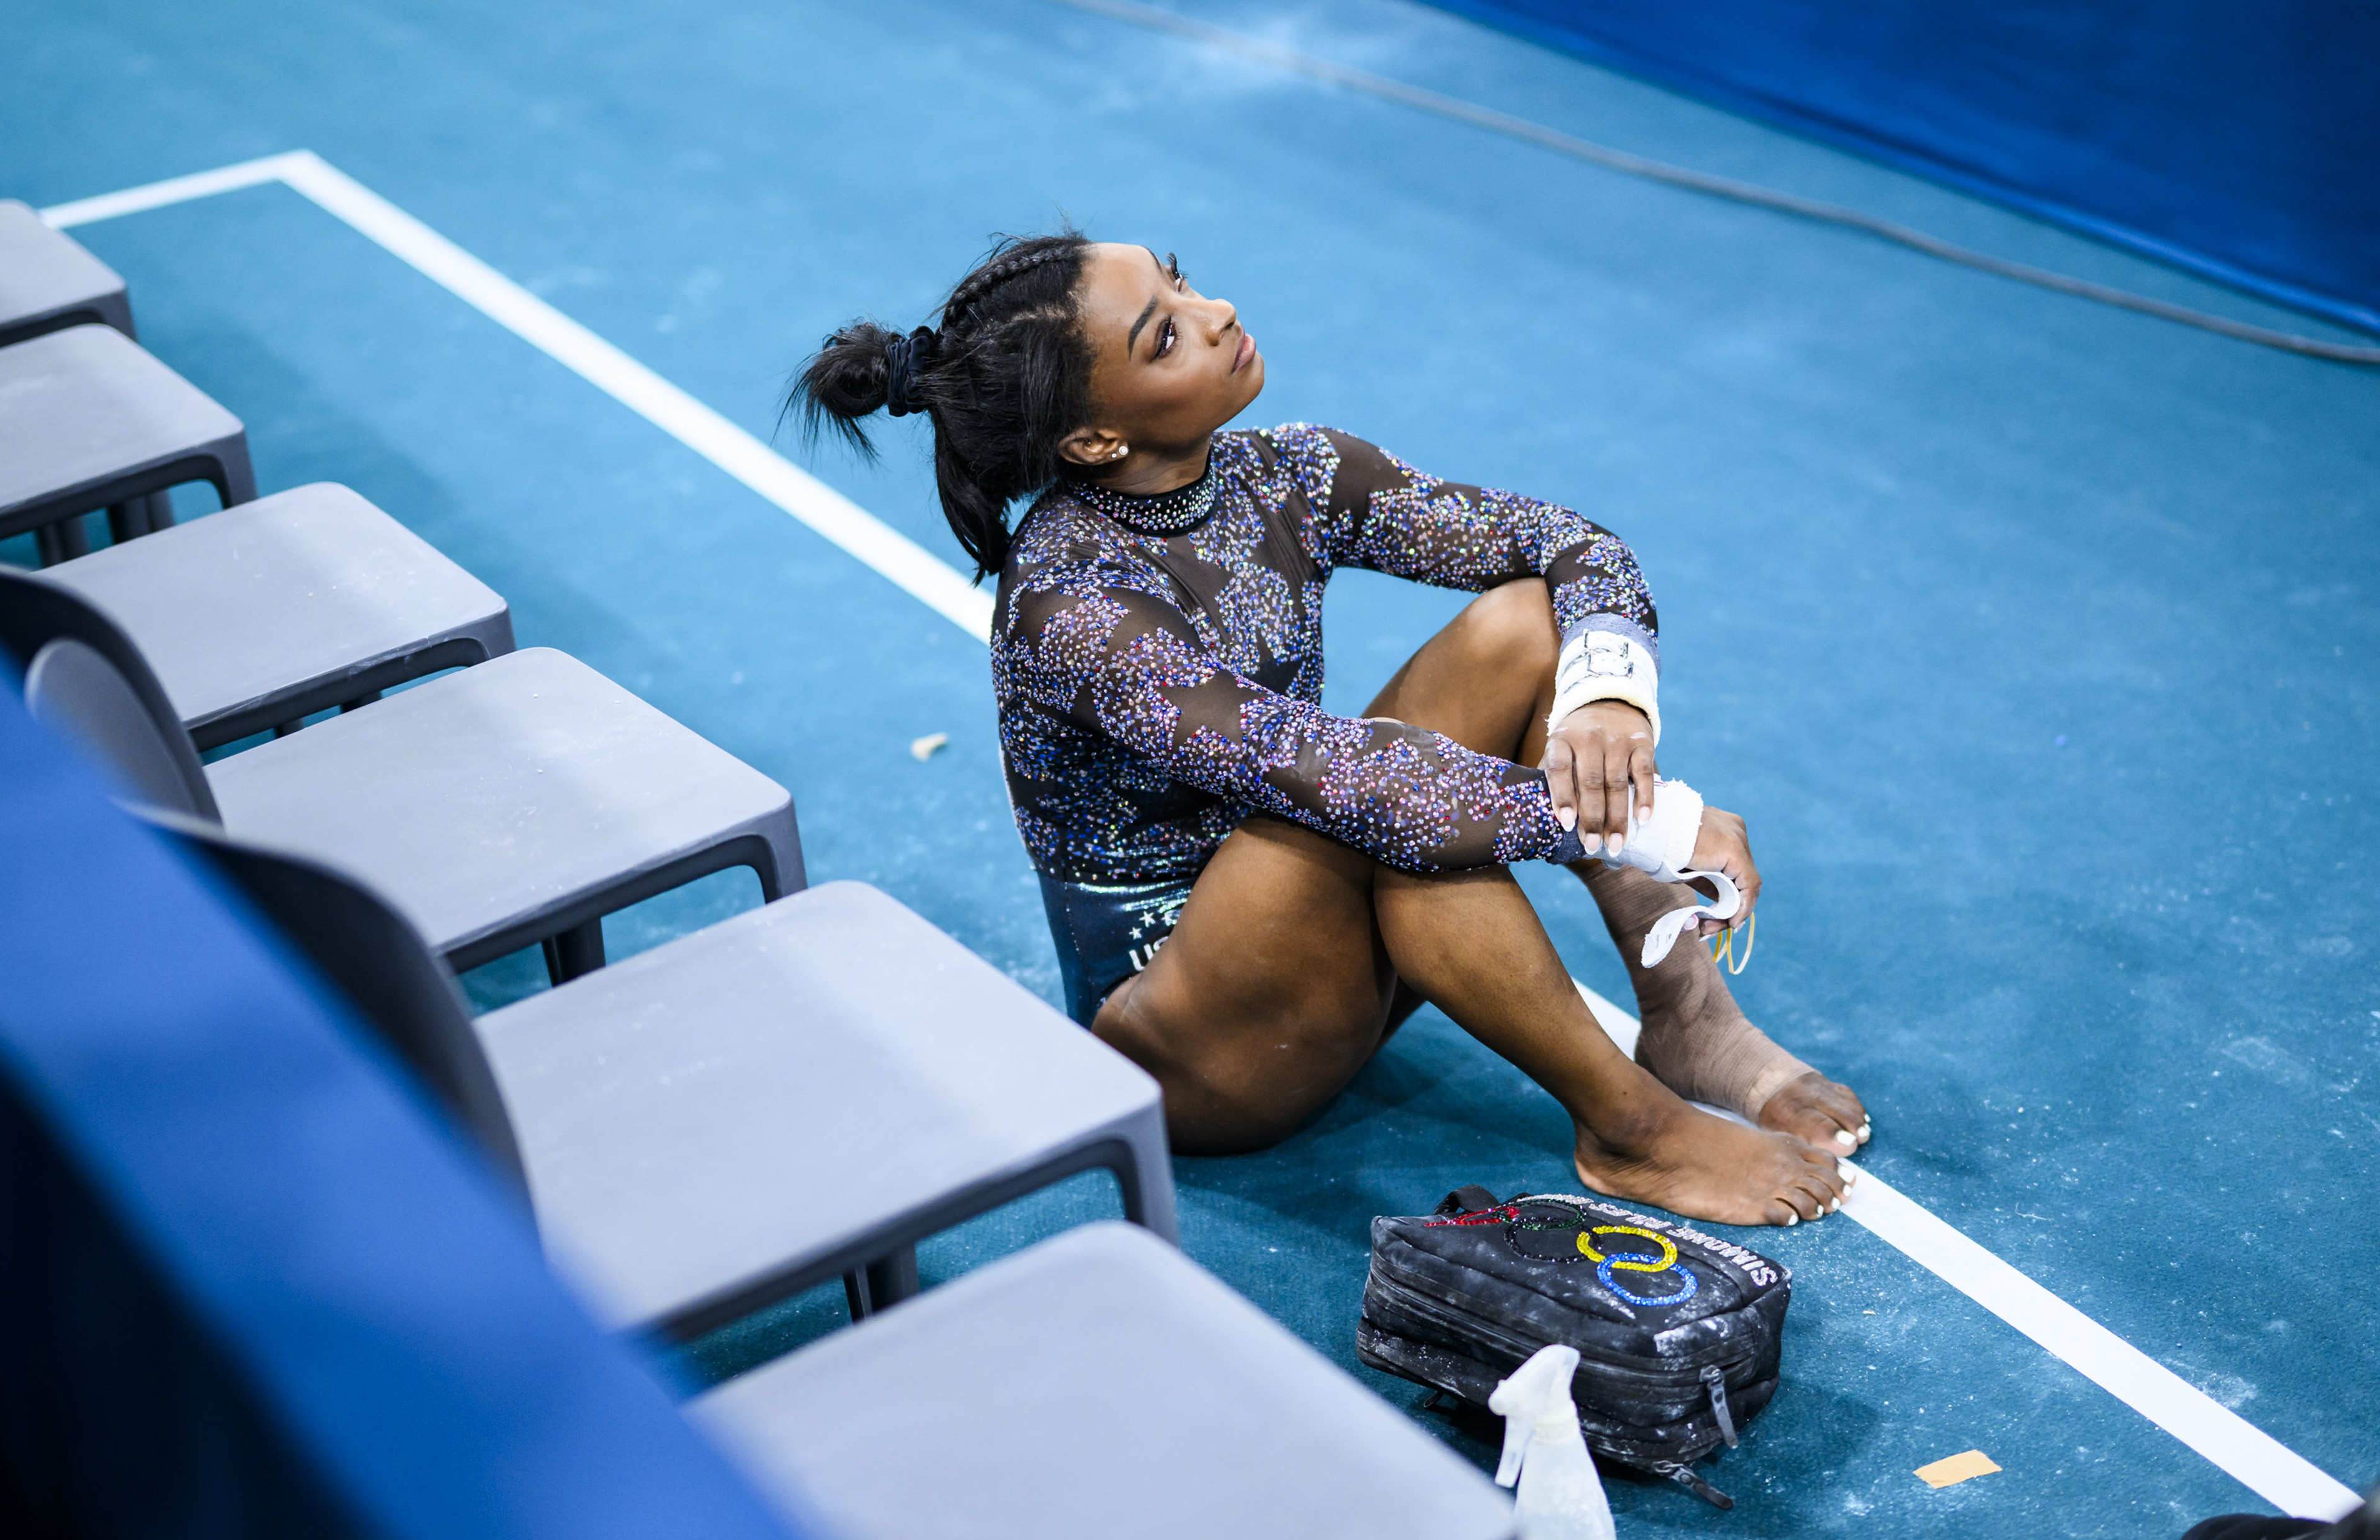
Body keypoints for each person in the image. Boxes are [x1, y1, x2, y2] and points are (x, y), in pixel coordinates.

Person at [792, 232, 1869, 1227]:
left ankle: (1684, 1012)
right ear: (1092, 434)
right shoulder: (1070, 604)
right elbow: (1343, 780)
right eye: (1164, 333)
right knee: (1382, 810)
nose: (1212, 310)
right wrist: (1657, 827)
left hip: (1321, 888)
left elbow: (1562, 542)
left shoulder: (1289, 474)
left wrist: (1609, 690)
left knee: (1529, 625)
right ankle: (1631, 1130)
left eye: (1179, 277)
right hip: (1199, 1043)